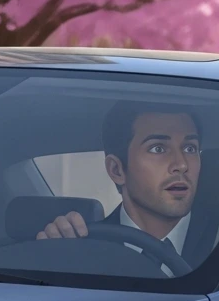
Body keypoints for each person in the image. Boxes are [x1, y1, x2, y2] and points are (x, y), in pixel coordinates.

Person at [36, 101, 202, 264]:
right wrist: (54, 257)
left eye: (190, 148)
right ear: (117, 169)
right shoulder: (81, 248)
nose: (181, 165)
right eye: (157, 148)